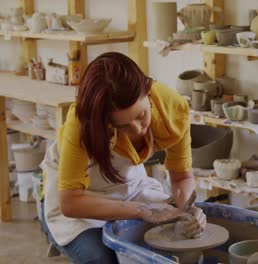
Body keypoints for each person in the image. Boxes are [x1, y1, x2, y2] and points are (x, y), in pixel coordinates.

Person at [40, 52, 206, 263]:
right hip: (76, 203)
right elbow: (70, 203)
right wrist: (140, 211)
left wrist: (187, 213)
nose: (138, 129)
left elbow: (182, 177)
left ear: (147, 91)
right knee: (103, 258)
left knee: (163, 241)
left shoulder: (171, 108)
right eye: (122, 126)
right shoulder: (81, 123)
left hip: (129, 188)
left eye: (140, 115)